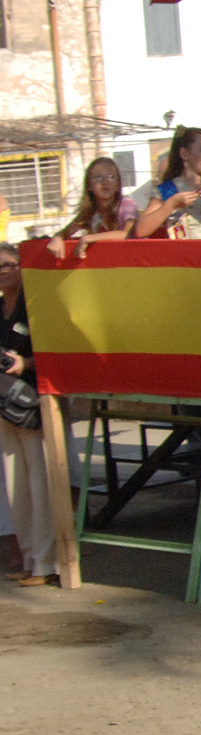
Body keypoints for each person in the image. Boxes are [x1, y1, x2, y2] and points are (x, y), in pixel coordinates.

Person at [0, 244, 55, 587]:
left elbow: (52, 351)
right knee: (14, 483)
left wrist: (26, 365)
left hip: (32, 402)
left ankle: (46, 563)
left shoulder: (35, 306)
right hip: (3, 405)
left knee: (40, 482)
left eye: (9, 265)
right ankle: (29, 555)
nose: (4, 272)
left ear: (21, 267)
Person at [133, 126, 201, 238]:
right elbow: (141, 230)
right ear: (184, 153)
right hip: (179, 253)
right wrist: (172, 204)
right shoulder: (168, 189)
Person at [57, 156, 138, 251]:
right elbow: (66, 231)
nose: (105, 182)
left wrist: (89, 238)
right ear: (89, 186)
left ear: (118, 185)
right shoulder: (90, 211)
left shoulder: (127, 205)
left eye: (111, 177)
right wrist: (57, 239)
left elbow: (127, 234)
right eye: (98, 177)